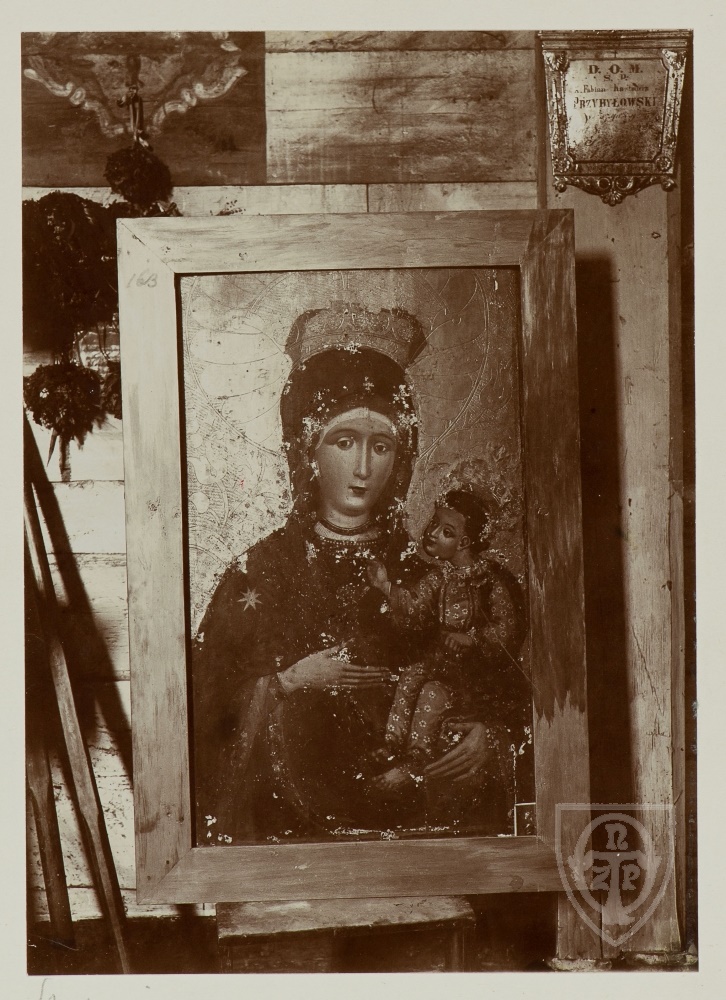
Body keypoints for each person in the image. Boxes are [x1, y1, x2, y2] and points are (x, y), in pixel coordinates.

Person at [192, 302, 531, 845]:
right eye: (344, 441)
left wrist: (493, 737)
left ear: (403, 456)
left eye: (382, 445)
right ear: (307, 448)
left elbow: (501, 678)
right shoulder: (259, 572)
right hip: (292, 837)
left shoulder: (429, 570)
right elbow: (204, 710)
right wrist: (287, 682)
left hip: (425, 827)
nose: (363, 468)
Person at [366, 489, 517, 793]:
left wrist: (472, 639)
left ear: (465, 542)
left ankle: (416, 759)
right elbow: (414, 607)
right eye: (434, 523)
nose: (432, 533)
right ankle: (392, 743)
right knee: (410, 677)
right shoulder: (439, 578)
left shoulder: (489, 581)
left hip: (472, 674)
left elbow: (506, 628)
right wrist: (386, 587)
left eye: (446, 531)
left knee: (431, 694)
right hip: (441, 661)